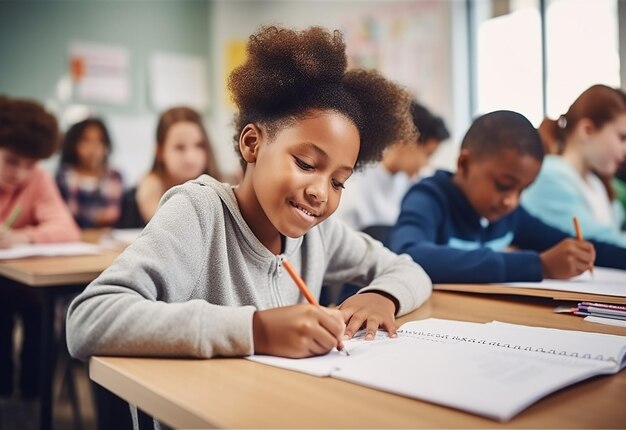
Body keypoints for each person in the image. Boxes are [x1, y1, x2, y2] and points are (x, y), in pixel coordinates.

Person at [67, 24, 431, 374]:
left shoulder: (318, 235)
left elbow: (409, 269)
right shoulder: (198, 214)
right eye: (306, 163)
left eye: (338, 182)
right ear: (252, 144)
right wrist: (256, 330)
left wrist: (383, 296)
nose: (321, 192)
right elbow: (89, 318)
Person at [388, 110, 626, 284]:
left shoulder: (510, 215)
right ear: (464, 163)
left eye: (523, 190)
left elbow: (562, 242)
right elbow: (409, 254)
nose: (511, 200)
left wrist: (580, 254)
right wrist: (538, 266)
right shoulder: (429, 198)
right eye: (504, 186)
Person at [0, 95, 80, 401]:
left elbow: (67, 229)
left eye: (31, 164)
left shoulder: (38, 179)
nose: (21, 172)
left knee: (40, 308)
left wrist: (24, 237)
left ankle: (34, 400)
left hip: (23, 286)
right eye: (11, 160)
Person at [522, 85, 626, 246]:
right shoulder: (550, 176)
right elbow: (599, 242)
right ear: (587, 130)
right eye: (622, 138)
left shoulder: (596, 183)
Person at [336, 101, 450, 231]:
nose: (426, 164)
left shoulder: (407, 185)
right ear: (406, 140)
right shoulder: (354, 180)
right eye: (427, 155)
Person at [132, 106, 222, 226]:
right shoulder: (143, 192)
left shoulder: (221, 189)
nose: (190, 158)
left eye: (199, 145)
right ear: (160, 151)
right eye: (179, 147)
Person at [56, 117, 124, 228]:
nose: (93, 147)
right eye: (86, 140)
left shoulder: (114, 175)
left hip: (104, 236)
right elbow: (66, 213)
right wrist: (96, 216)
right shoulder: (65, 174)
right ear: (74, 144)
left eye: (100, 141)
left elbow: (112, 214)